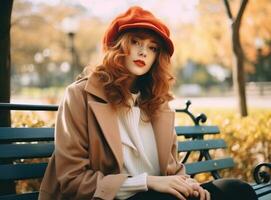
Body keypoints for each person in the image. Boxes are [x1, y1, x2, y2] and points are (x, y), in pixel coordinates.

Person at [39, 6, 257, 200]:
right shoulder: (80, 96)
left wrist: (188, 185)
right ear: (118, 46)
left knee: (236, 190)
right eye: (136, 42)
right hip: (114, 197)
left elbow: (171, 169)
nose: (144, 51)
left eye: (153, 48)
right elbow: (73, 179)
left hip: (159, 195)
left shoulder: (156, 102)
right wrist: (147, 182)